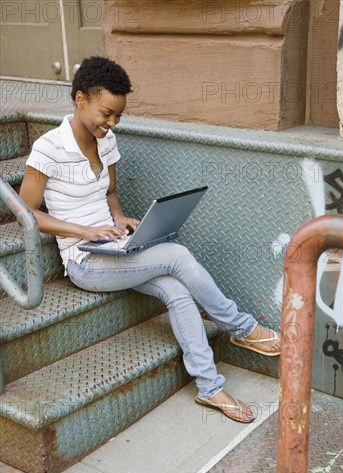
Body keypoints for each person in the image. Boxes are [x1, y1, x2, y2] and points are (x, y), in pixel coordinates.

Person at [19, 56, 281, 424]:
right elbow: (26, 213)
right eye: (106, 113)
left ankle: (210, 388)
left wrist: (120, 218)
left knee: (176, 289)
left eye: (118, 116)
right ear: (80, 99)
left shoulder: (106, 142)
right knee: (175, 255)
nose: (111, 123)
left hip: (112, 246)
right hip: (84, 260)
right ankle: (241, 328)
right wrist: (85, 231)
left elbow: (109, 193)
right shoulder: (49, 148)